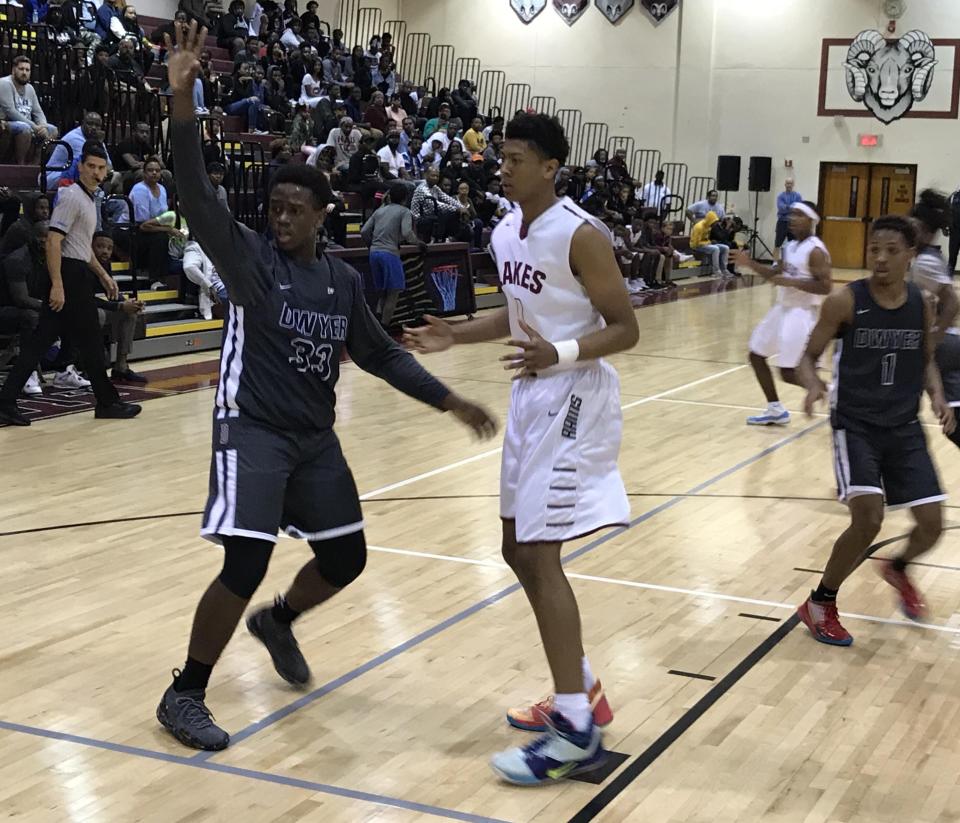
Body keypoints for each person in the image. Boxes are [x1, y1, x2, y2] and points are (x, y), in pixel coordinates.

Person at [155, 22, 497, 752]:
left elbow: (380, 356)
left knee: (346, 558)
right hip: (252, 428)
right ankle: (185, 691)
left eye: (293, 209)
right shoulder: (248, 260)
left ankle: (278, 621)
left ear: (321, 215)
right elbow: (195, 190)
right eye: (273, 206)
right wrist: (182, 106)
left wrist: (450, 399)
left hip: (314, 440)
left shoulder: (340, 281)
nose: (279, 217)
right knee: (244, 559)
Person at [405, 112, 639, 785]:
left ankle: (575, 733)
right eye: (500, 156)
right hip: (531, 392)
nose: (501, 167)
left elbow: (625, 328)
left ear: (549, 167)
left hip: (575, 398)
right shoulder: (506, 228)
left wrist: (558, 351)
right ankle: (583, 688)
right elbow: (515, 315)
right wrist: (457, 333)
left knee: (540, 550)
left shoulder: (581, 233)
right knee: (514, 547)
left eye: (515, 158)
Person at [796, 215, 954, 645]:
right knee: (868, 517)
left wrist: (937, 395)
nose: (880, 259)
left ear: (910, 257)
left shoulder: (921, 302)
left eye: (891, 251)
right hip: (856, 425)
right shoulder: (845, 301)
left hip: (904, 427)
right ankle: (819, 602)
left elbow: (926, 357)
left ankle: (898, 566)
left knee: (931, 526)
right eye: (874, 250)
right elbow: (808, 357)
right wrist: (813, 385)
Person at [0, 142, 141, 426]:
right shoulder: (71, 197)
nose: (96, 172)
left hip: (76, 272)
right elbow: (54, 240)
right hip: (68, 274)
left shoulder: (90, 199)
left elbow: (80, 245)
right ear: (80, 166)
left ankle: (6, 401)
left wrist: (102, 274)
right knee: (87, 339)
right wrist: (58, 284)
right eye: (91, 166)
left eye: (101, 168)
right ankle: (106, 401)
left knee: (47, 342)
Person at [736, 202, 832, 425]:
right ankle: (775, 409)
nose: (792, 218)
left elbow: (826, 287)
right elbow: (774, 274)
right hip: (781, 309)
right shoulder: (789, 247)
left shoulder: (816, 250)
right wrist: (749, 263)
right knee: (756, 355)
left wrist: (790, 282)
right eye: (791, 214)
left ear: (811, 220)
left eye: (798, 215)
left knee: (789, 372)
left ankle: (838, 393)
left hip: (801, 313)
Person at [908, 190, 960, 451]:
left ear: (927, 232)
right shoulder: (925, 257)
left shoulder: (924, 262)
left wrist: (935, 336)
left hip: (943, 347)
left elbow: (951, 302)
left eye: (915, 228)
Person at [361, 183, 421, 326]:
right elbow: (407, 233)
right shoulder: (404, 211)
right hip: (389, 253)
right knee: (393, 293)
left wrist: (372, 245)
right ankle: (383, 330)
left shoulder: (380, 211)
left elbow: (364, 231)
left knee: (382, 293)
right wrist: (419, 243)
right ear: (406, 198)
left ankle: (376, 323)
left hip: (374, 253)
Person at [91, 230, 147, 383]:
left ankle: (121, 367)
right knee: (98, 314)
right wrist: (120, 306)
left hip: (96, 306)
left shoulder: (106, 265)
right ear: (90, 247)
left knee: (131, 313)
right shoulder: (83, 265)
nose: (105, 251)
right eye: (100, 246)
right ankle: (90, 366)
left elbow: (112, 294)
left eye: (109, 248)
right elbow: (86, 299)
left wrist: (130, 304)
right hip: (78, 308)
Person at [0, 55, 58, 165]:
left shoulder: (30, 88)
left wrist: (43, 126)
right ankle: (21, 165)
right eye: (21, 69)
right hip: (7, 122)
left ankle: (36, 163)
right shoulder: (4, 83)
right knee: (24, 128)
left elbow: (38, 111)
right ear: (13, 70)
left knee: (53, 130)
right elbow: (10, 111)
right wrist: (35, 127)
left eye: (27, 70)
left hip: (28, 124)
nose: (24, 73)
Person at [689, 211, 729, 277]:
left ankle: (724, 269)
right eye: (714, 222)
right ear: (710, 221)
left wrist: (709, 242)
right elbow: (696, 243)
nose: (715, 224)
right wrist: (709, 242)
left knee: (725, 248)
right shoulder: (699, 227)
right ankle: (716, 271)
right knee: (715, 249)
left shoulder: (709, 226)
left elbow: (706, 239)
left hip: (706, 244)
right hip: (696, 246)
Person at [774, 178, 802, 260]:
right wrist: (792, 207)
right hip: (782, 222)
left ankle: (791, 262)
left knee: (793, 245)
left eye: (790, 183)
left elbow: (799, 209)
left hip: (793, 223)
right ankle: (775, 263)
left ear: (793, 185)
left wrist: (788, 208)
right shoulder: (780, 196)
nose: (789, 185)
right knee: (777, 244)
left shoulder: (797, 196)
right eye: (787, 183)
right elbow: (781, 208)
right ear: (785, 184)